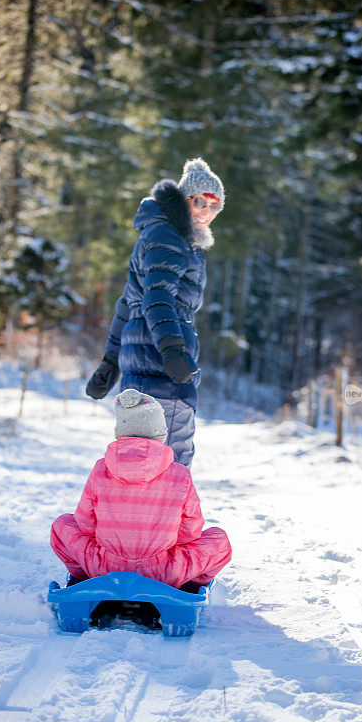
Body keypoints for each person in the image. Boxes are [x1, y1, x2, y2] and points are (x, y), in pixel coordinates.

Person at [85, 157, 225, 468]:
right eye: (201, 201)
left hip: (139, 367)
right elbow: (157, 298)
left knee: (135, 462)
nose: (207, 211)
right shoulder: (170, 237)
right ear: (183, 200)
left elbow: (129, 303)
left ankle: (127, 516)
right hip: (163, 369)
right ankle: (170, 518)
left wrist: (110, 363)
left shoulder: (159, 232)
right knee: (171, 463)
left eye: (215, 207)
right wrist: (173, 349)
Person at [50, 389, 232, 590]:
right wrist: (167, 549)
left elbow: (85, 522)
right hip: (164, 572)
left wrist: (104, 548)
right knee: (219, 539)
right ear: (160, 432)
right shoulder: (180, 475)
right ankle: (188, 587)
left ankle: (83, 579)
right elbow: (191, 530)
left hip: (104, 568)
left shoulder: (101, 468)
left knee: (62, 525)